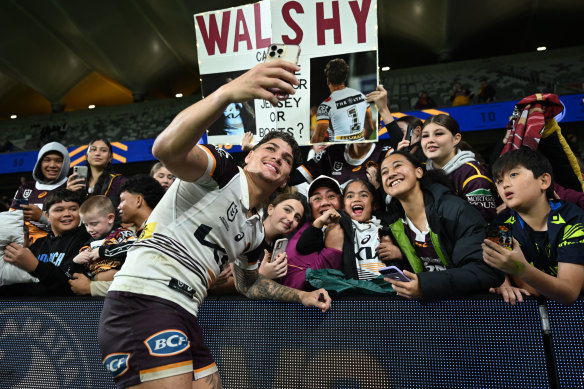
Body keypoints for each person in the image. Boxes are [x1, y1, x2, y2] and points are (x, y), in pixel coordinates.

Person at [97, 60, 331, 389]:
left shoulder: (255, 233)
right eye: (270, 148)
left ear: (283, 183)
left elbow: (250, 285)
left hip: (185, 314)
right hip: (143, 300)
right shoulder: (221, 172)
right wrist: (226, 93)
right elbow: (164, 148)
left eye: (287, 158)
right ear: (249, 155)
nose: (278, 157)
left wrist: (301, 297)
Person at [378, 151, 504, 301]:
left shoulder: (456, 210)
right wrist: (400, 257)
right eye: (384, 172)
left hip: (468, 307)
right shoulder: (394, 223)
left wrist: (425, 285)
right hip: (430, 309)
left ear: (419, 172)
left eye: (397, 166)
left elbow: (485, 271)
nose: (391, 174)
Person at [482, 148, 584, 305]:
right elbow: (533, 293)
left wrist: (520, 269)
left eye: (513, 174)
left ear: (544, 181)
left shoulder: (573, 218)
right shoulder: (499, 226)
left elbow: (569, 292)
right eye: (499, 180)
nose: (505, 185)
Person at [69, 174, 165, 296]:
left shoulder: (158, 230)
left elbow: (144, 283)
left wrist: (91, 287)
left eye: (122, 200)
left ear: (138, 200)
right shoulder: (144, 231)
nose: (118, 206)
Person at [292, 85, 402, 190]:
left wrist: (384, 109)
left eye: (365, 125)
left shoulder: (384, 154)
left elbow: (407, 152)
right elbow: (291, 178)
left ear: (378, 127)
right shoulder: (333, 152)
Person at [210, 192, 307, 295]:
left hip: (253, 308)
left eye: (297, 217)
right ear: (270, 209)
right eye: (287, 210)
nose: (291, 219)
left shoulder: (279, 247)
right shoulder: (245, 232)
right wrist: (259, 276)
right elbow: (215, 286)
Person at [1, 188, 90, 296]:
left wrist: (36, 266)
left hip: (67, 307)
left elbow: (72, 283)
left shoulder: (86, 239)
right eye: (59, 210)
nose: (67, 213)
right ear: (47, 216)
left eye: (73, 209)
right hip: (35, 307)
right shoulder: (39, 244)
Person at [297, 178, 390, 280]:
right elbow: (303, 246)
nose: (357, 199)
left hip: (385, 288)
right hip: (355, 290)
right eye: (350, 196)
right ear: (344, 206)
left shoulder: (384, 226)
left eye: (363, 195)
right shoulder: (336, 227)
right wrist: (320, 221)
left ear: (374, 205)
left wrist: (399, 253)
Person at [421, 114, 497, 222]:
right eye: (425, 136)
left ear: (456, 139)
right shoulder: (419, 172)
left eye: (438, 134)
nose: (430, 140)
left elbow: (482, 225)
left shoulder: (474, 175)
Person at [280, 176, 345, 290]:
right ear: (310, 207)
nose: (325, 202)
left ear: (342, 203)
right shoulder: (297, 229)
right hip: (293, 303)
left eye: (331, 196)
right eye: (317, 199)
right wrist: (333, 250)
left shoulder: (351, 227)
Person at [10, 142, 70, 243]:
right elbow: (12, 220)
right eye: (47, 160)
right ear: (39, 163)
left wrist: (42, 217)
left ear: (65, 163)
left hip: (59, 249)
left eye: (58, 161)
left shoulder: (71, 187)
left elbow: (79, 225)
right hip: (26, 248)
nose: (52, 165)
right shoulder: (26, 188)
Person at [71, 195, 136, 281]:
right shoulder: (87, 246)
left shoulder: (122, 234)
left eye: (94, 224)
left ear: (110, 218)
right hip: (92, 287)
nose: (89, 229)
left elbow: (136, 246)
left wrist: (103, 251)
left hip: (119, 282)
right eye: (86, 225)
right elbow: (76, 276)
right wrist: (75, 263)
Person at [312, 58, 375, 143]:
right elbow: (370, 128)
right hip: (358, 150)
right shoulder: (362, 96)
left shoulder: (325, 106)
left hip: (338, 152)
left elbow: (317, 140)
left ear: (328, 80)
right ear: (345, 78)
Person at [67, 138, 127, 208]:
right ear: (86, 156)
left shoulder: (118, 181)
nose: (97, 153)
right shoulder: (76, 181)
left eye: (103, 150)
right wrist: (68, 193)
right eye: (93, 149)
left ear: (110, 157)